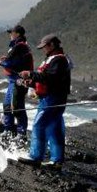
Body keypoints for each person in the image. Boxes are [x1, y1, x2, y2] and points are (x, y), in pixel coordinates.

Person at [17, 34, 71, 169]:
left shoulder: (59, 60)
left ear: (52, 45)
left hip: (53, 99)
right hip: (51, 98)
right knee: (55, 129)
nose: (43, 50)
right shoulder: (53, 59)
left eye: (45, 47)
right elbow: (45, 80)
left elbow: (50, 77)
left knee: (39, 125)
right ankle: (57, 161)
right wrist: (30, 83)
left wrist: (30, 74)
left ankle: (36, 157)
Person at [0, 25, 34, 137]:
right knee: (8, 105)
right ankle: (9, 130)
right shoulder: (20, 46)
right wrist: (5, 59)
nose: (10, 35)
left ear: (17, 34)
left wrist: (1, 62)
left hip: (18, 81)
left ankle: (20, 133)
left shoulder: (20, 46)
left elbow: (10, 63)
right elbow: (14, 60)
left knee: (17, 107)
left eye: (11, 32)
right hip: (14, 81)